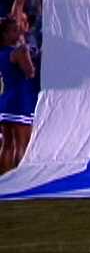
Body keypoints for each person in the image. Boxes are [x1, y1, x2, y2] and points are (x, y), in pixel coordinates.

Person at [0, 16, 36, 174]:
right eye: (14, 30)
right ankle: (20, 179)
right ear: (5, 34)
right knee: (23, 144)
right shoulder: (19, 51)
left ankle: (4, 179)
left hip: (6, 100)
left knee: (7, 144)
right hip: (20, 101)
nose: (18, 32)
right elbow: (30, 72)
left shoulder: (2, 53)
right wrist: (27, 52)